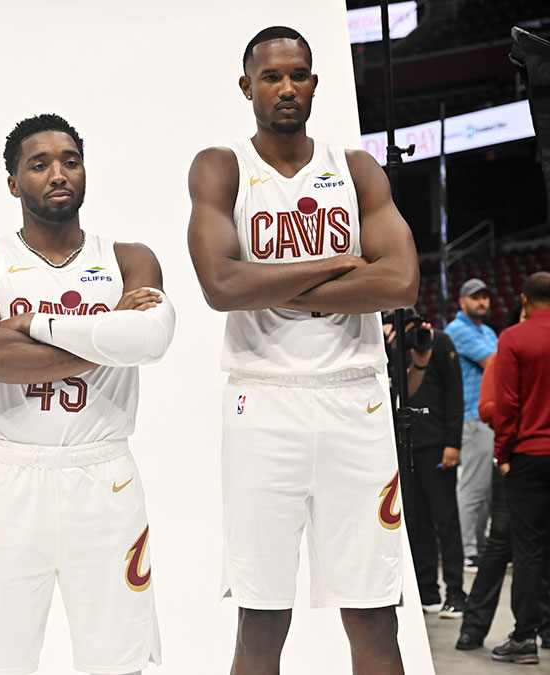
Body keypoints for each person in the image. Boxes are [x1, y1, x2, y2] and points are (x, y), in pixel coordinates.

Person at [186, 26, 419, 674]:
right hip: (263, 402)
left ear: (316, 81)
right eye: (272, 76)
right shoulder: (223, 166)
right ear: (247, 87)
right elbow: (222, 285)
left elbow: (399, 281)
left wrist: (275, 281)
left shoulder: (356, 168)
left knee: (375, 612)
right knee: (260, 617)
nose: (287, 87)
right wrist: (343, 265)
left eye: (299, 74)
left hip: (356, 401)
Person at [0, 113, 175, 675]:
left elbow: (148, 338)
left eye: (70, 161)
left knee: (118, 659)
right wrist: (105, 334)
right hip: (9, 476)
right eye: (39, 163)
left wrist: (29, 328)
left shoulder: (129, 258)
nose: (57, 173)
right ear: (13, 181)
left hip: (105, 475)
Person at [456, 301, 550, 651]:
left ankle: (533, 630)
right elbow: (489, 407)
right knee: (503, 544)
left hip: (522, 455)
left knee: (522, 547)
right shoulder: (505, 352)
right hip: (515, 458)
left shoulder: (519, 346)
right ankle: (476, 627)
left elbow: (495, 408)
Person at [384, 314, 465, 619]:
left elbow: (455, 394)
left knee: (446, 520)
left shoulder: (439, 341)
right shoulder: (391, 344)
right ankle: (427, 590)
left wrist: (453, 442)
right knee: (417, 522)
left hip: (436, 444)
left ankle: (456, 592)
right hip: (404, 446)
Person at [489, 272, 550, 664]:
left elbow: (507, 405)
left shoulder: (513, 337)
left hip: (529, 455)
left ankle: (525, 638)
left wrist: (503, 454)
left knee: (527, 550)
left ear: (525, 300)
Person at [444, 277, 499, 570]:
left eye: (485, 296)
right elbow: (495, 362)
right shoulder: (457, 330)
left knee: (488, 490)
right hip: (473, 418)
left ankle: (479, 546)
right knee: (473, 488)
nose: (482, 301)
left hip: (490, 419)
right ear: (462, 301)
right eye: (475, 297)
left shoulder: (488, 331)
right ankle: (467, 550)